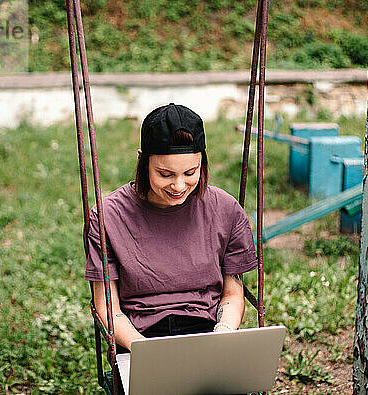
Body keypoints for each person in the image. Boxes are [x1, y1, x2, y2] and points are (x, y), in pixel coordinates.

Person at [85, 103, 258, 353]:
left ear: (203, 162)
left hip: (207, 331)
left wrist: (224, 332)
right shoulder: (108, 216)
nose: (178, 186)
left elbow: (232, 293)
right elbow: (107, 306)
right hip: (138, 336)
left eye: (190, 172)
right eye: (165, 174)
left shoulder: (225, 209)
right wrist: (146, 352)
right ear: (143, 161)